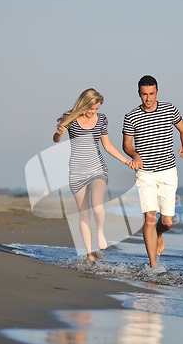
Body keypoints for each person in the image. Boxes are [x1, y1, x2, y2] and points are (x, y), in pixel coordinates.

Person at [53, 88, 132, 262]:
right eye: (91, 108)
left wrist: (126, 161)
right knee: (84, 214)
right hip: (76, 171)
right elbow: (56, 139)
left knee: (96, 206)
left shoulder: (102, 119)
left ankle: (100, 231)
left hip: (98, 169)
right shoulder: (70, 118)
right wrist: (59, 134)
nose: (93, 112)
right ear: (84, 104)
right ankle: (89, 253)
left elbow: (108, 145)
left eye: (96, 109)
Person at [122, 75, 183, 269]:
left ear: (157, 92)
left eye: (151, 94)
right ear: (139, 94)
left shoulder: (170, 109)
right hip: (145, 174)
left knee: (167, 222)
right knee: (150, 218)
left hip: (168, 171)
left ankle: (159, 234)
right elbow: (127, 144)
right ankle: (153, 266)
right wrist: (135, 155)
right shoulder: (131, 116)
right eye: (144, 94)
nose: (148, 98)